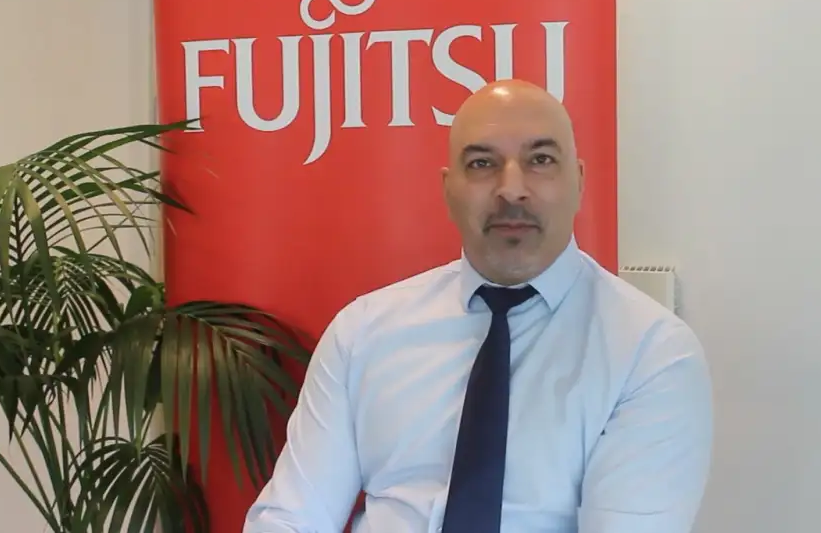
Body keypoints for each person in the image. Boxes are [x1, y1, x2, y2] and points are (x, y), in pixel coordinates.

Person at [243, 79, 713, 533]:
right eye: (482, 163)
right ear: (448, 189)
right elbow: (291, 517)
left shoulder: (650, 352)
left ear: (579, 181)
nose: (512, 189)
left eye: (540, 160)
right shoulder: (363, 332)